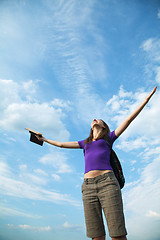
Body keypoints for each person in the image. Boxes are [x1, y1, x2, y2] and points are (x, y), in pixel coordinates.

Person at [36, 87, 157, 240]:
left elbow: (128, 120)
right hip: (87, 187)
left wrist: (145, 100)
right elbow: (61, 145)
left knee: (117, 235)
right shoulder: (85, 143)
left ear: (104, 126)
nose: (94, 119)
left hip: (108, 184)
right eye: (93, 119)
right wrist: (44, 139)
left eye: (98, 119)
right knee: (96, 236)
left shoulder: (108, 139)